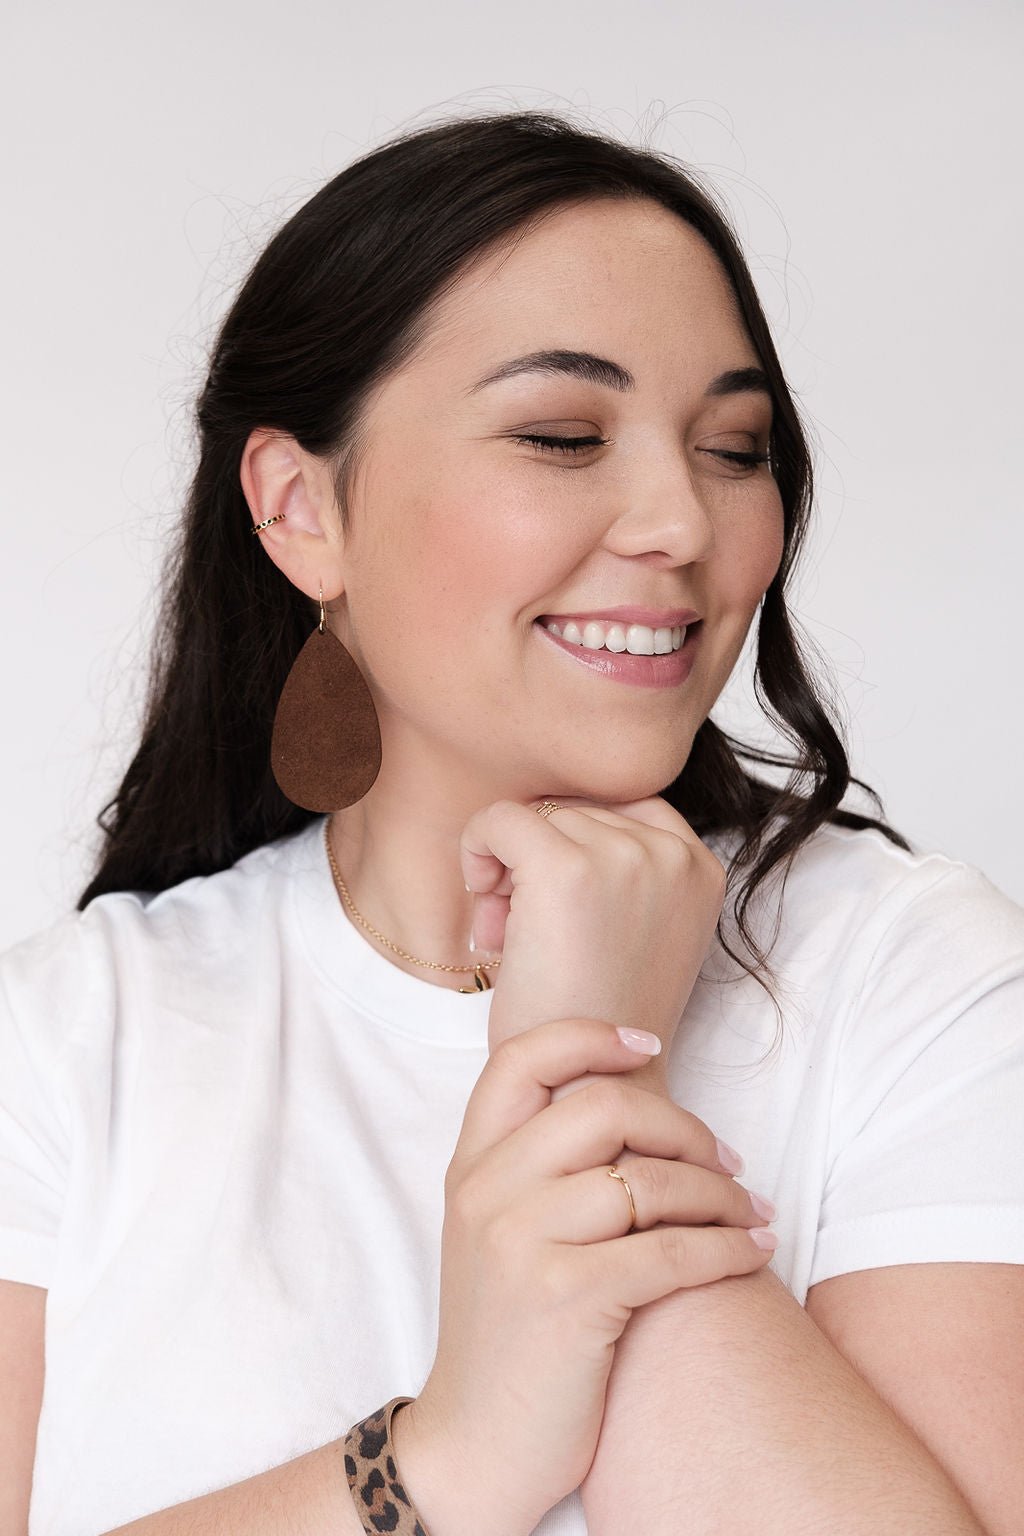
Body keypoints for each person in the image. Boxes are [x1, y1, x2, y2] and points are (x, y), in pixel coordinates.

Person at [1, 109, 1021, 1536]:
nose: (680, 519)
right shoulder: (64, 1043)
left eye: (735, 447)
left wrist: (589, 1084)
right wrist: (458, 1454)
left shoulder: (921, 982)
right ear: (301, 510)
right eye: (561, 434)